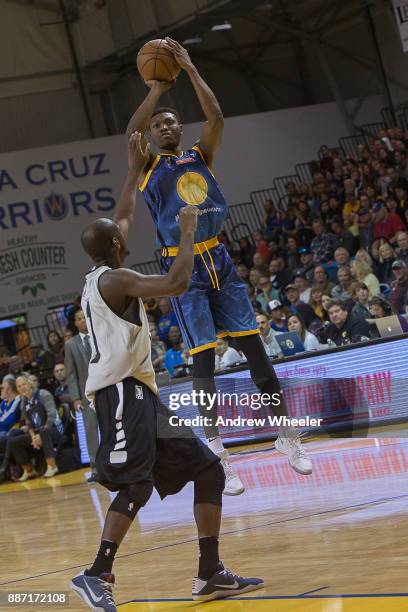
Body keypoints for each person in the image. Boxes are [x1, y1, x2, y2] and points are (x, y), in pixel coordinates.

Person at [72, 136, 264, 609]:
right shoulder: (115, 279)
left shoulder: (103, 270)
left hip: (142, 396)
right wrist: (186, 232)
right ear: (116, 247)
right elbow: (178, 282)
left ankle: (209, 572)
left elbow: (121, 217)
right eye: (122, 236)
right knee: (135, 483)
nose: (126, 233)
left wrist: (132, 171)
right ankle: (96, 574)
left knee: (207, 469)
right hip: (120, 394)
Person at [124, 38, 312, 491]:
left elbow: (217, 117)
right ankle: (217, 453)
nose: (165, 127)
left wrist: (188, 68)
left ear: (180, 128)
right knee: (203, 365)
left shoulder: (198, 154)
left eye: (170, 122)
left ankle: (286, 436)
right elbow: (130, 130)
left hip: (220, 260)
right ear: (151, 136)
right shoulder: (147, 164)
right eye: (158, 125)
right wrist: (154, 89)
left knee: (256, 354)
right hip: (184, 267)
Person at [65, 307, 99, 483]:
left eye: (84, 318)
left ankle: (118, 464)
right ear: (75, 323)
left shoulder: (100, 336)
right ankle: (96, 469)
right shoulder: (70, 344)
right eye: (78, 319)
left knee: (113, 429)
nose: (82, 321)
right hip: (86, 395)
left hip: (106, 390)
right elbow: (71, 375)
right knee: (91, 431)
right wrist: (75, 398)